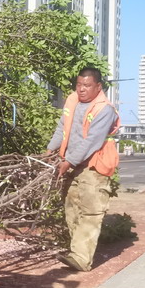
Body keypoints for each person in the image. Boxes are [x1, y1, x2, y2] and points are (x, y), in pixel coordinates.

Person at [46, 67, 120, 273]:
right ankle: (77, 252)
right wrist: (50, 149)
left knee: (90, 211)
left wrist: (68, 161)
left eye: (87, 85)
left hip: (94, 166)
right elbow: (62, 128)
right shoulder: (72, 101)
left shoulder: (104, 110)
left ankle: (81, 258)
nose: (81, 89)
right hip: (73, 164)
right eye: (79, 85)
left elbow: (92, 141)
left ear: (98, 87)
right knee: (72, 208)